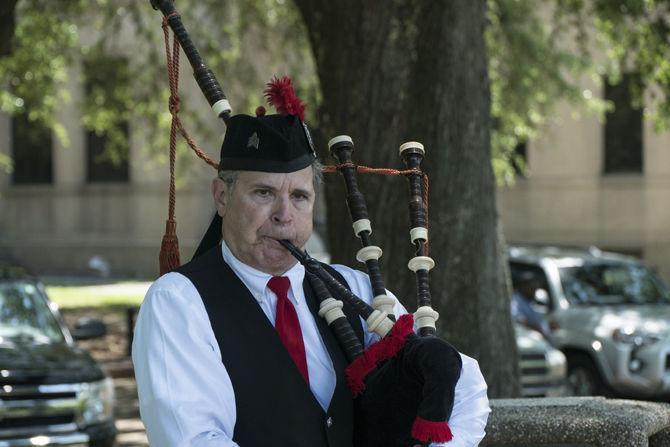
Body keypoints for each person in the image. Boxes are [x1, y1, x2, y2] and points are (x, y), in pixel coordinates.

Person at [132, 77, 490, 446]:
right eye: (263, 192)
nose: (283, 214)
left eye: (299, 196)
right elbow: (195, 439)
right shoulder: (179, 303)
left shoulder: (354, 288)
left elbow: (466, 385)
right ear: (222, 196)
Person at [511, 270, 552, 340]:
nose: (534, 291)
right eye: (532, 288)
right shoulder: (515, 301)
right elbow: (519, 320)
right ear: (523, 287)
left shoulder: (529, 301)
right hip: (528, 339)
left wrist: (548, 325)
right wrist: (536, 328)